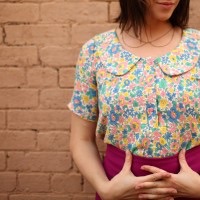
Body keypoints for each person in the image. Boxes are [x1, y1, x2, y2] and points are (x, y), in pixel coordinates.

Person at [68, 0, 200, 199]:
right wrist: (105, 190)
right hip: (120, 193)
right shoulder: (96, 51)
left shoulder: (198, 47)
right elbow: (81, 139)